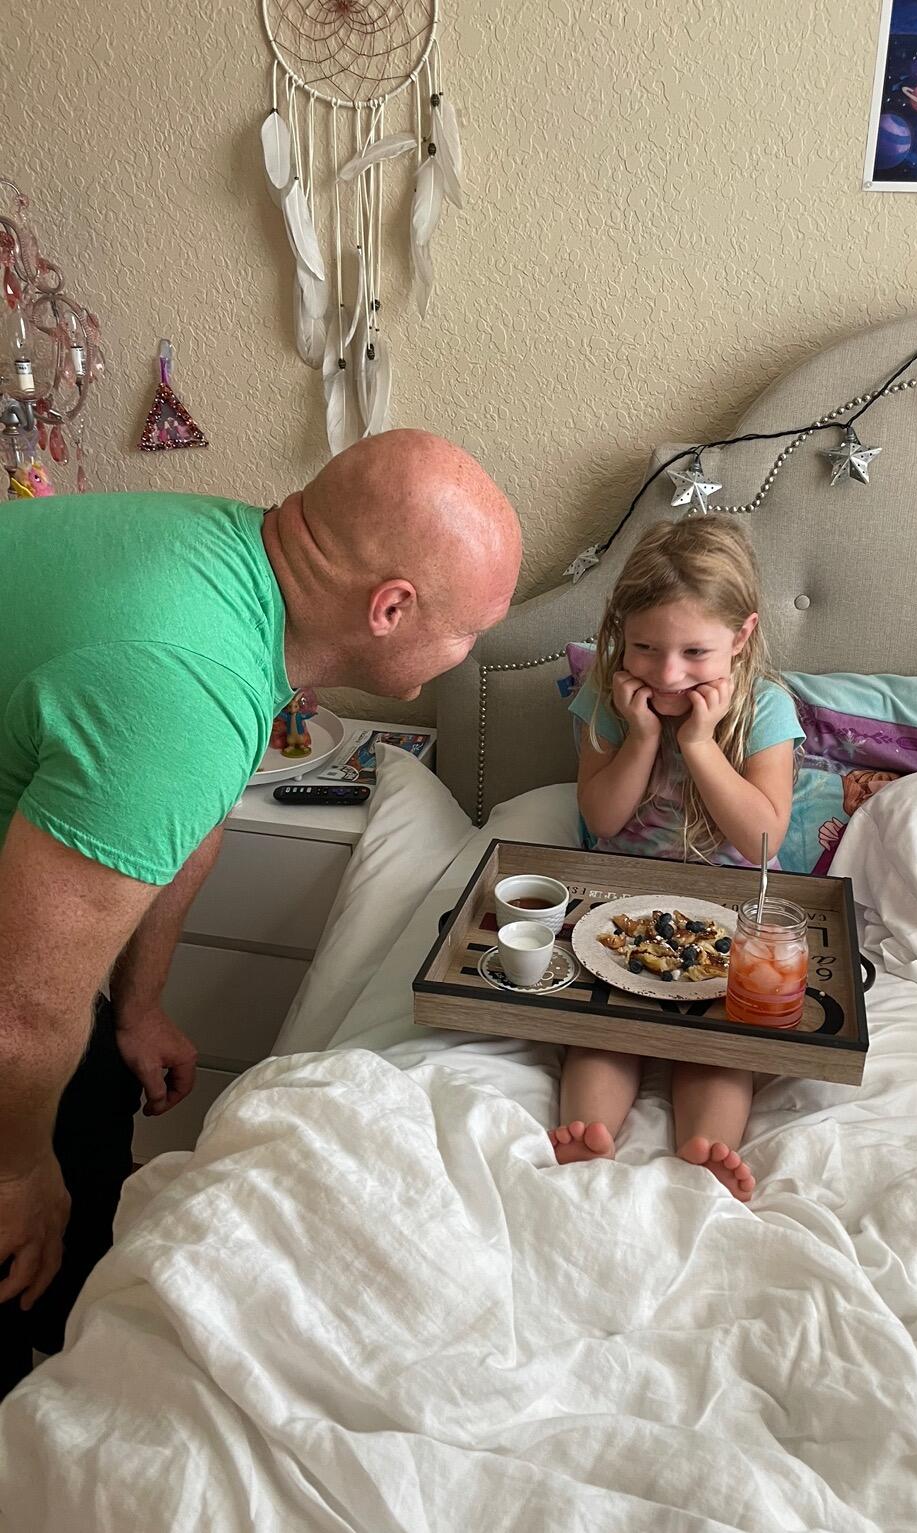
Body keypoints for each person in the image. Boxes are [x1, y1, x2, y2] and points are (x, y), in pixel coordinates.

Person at [0, 429, 520, 1396]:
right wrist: (13, 1179)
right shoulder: (185, 682)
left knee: (93, 1092)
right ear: (391, 606)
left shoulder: (237, 577)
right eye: (468, 631)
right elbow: (19, 1010)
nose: (470, 656)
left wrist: (142, 1005)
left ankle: (68, 1351)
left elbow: (190, 826)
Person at [551, 517, 804, 1200]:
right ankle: (588, 1134)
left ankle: (705, 1149)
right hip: (619, 904)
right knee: (604, 1027)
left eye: (695, 651)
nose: (666, 673)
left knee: (720, 1039)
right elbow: (602, 816)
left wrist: (698, 743)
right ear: (618, 635)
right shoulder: (610, 699)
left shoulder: (766, 707)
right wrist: (639, 736)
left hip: (728, 911)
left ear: (742, 635)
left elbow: (762, 839)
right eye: (644, 648)